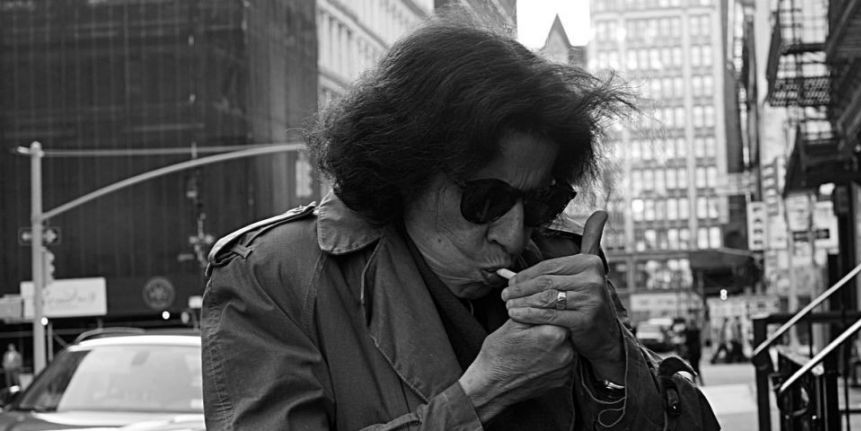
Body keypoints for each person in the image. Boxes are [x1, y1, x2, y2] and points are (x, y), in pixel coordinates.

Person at [201, 13, 718, 431]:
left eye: (541, 201)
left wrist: (612, 356)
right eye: (486, 200)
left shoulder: (562, 259)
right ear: (407, 174)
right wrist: (481, 395)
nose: (513, 235)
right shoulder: (272, 277)